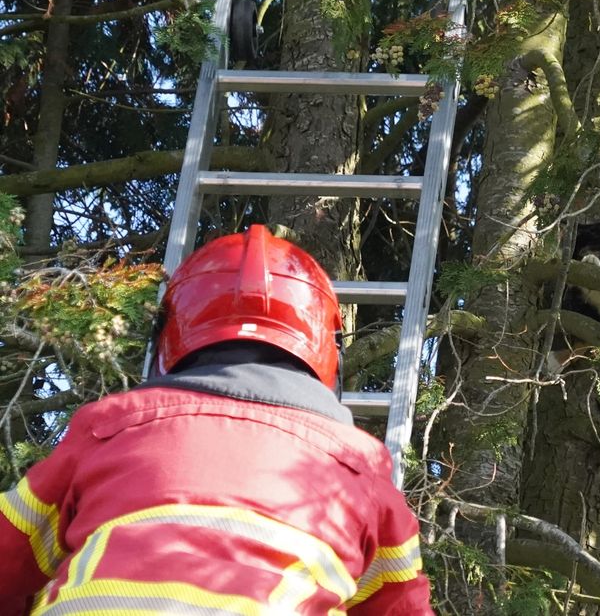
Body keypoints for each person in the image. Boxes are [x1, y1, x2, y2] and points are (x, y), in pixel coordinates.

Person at [0, 225, 434, 615]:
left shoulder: (109, 428)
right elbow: (401, 608)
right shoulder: (361, 469)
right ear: (327, 348)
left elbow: (7, 559)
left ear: (169, 337)